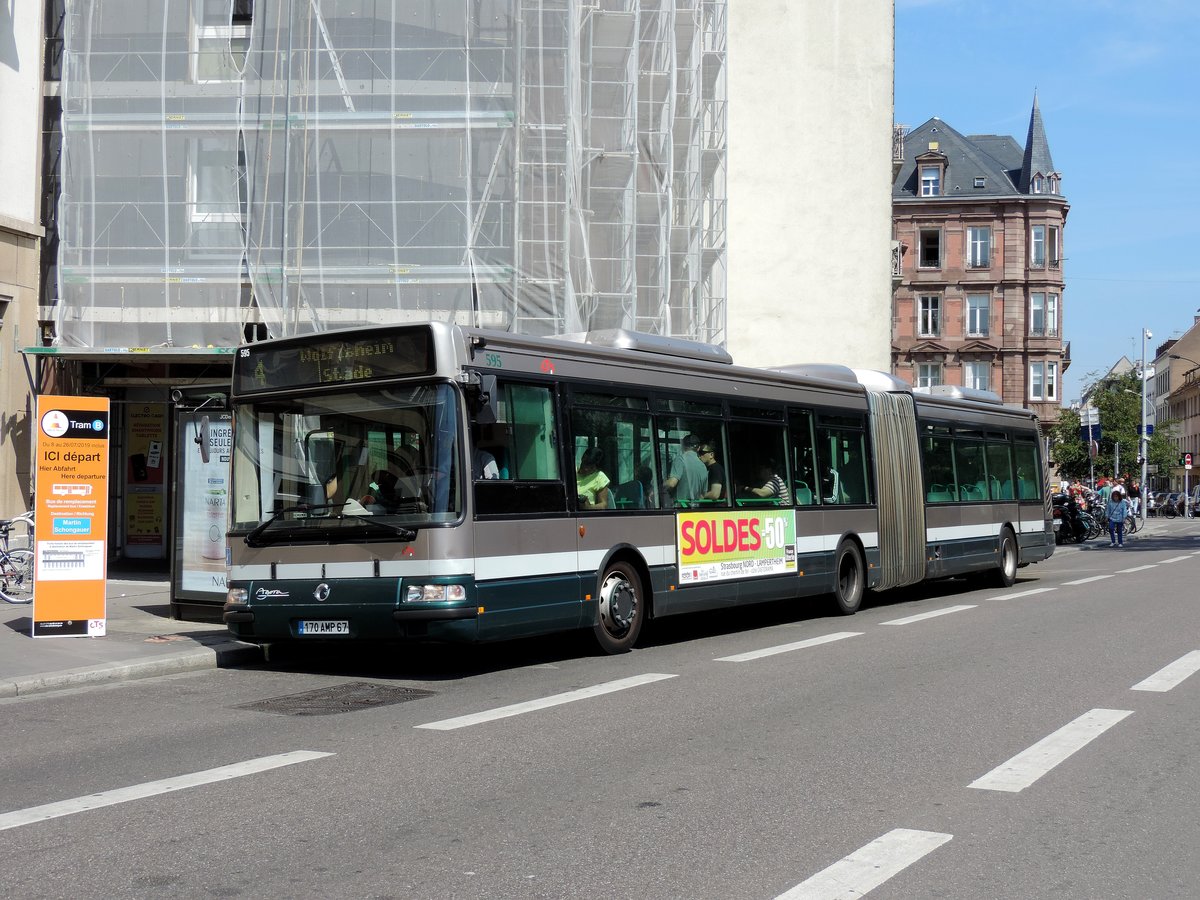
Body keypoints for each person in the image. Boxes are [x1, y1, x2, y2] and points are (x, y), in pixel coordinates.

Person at [663, 434, 708, 506]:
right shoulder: (703, 466)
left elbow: (672, 483)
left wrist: (658, 487)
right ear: (698, 448)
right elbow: (703, 494)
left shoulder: (680, 459)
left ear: (682, 446)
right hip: (696, 510)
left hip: (680, 508)